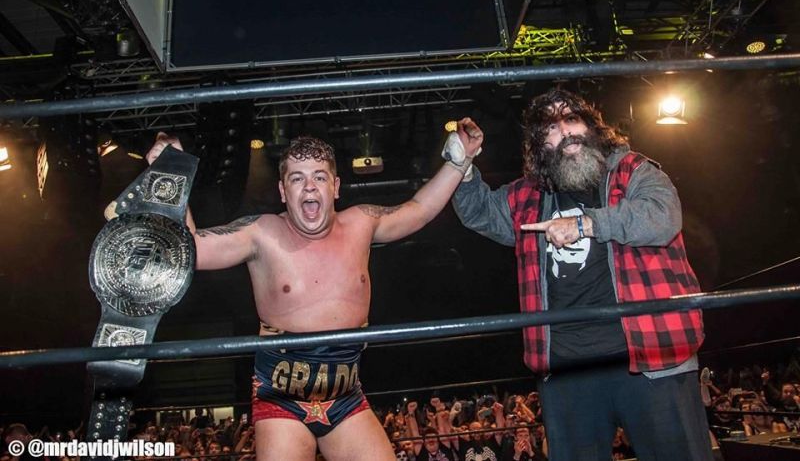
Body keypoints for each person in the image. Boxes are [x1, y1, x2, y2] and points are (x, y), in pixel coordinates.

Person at [145, 120, 484, 461]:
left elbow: (420, 210)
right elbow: (190, 251)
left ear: (334, 186)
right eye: (297, 178)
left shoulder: (361, 222)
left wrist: (458, 163)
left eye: (319, 177)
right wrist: (171, 176)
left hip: (346, 393)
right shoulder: (261, 234)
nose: (309, 187)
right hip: (281, 397)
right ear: (282, 191)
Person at [452, 89, 712, 461]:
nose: (566, 130)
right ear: (540, 144)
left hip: (651, 358)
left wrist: (588, 224)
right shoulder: (527, 196)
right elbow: (478, 211)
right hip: (566, 369)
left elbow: (662, 217)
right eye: (551, 127)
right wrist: (463, 164)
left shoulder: (633, 170)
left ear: (591, 127)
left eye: (572, 119)